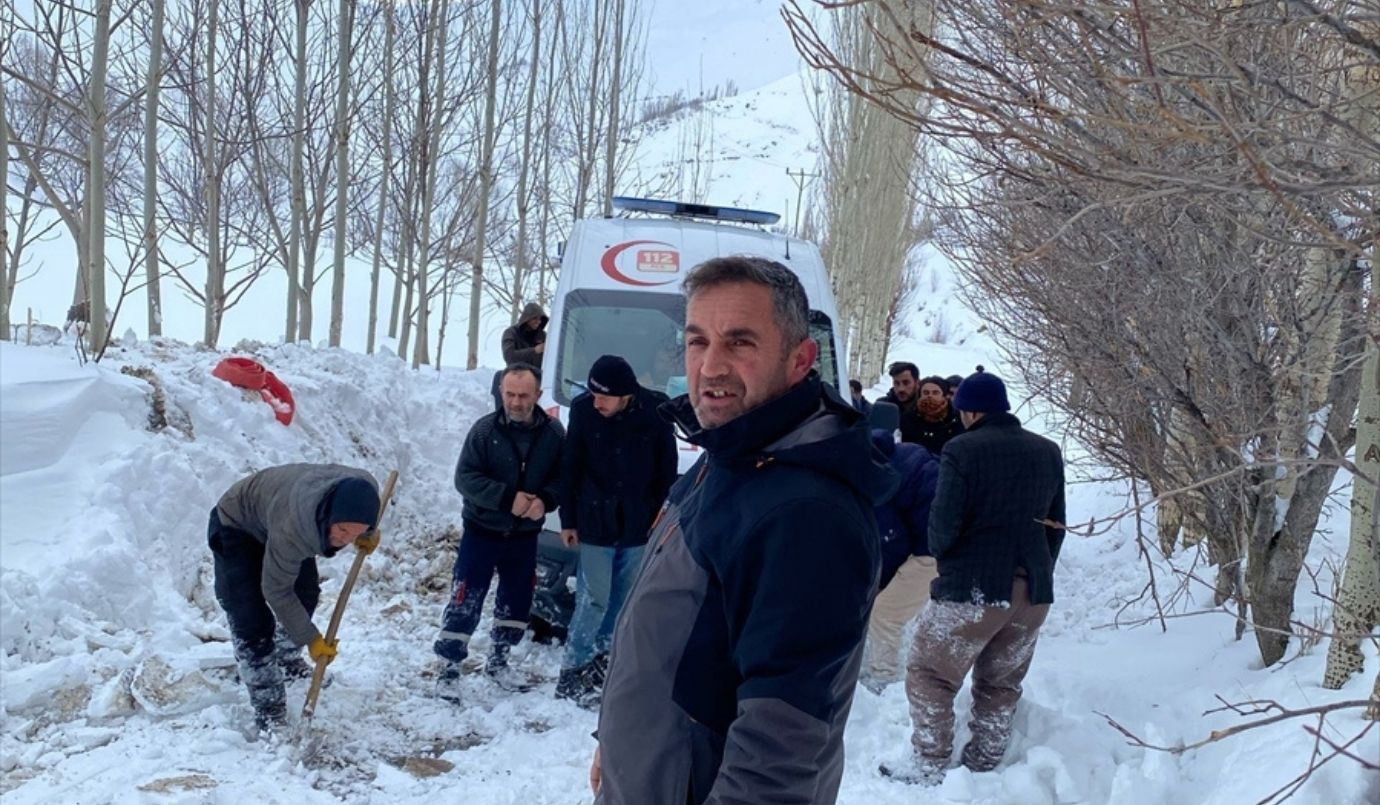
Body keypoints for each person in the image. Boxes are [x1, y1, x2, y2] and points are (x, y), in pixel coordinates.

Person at [590, 256, 897, 803]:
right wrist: (617, 745)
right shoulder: (733, 454)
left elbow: (781, 749)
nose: (710, 366)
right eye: (697, 341)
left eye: (740, 342)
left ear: (802, 359)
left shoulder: (805, 513)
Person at [885, 369, 1065, 785]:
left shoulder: (961, 450)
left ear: (968, 411)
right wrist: (1037, 573)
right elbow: (1056, 525)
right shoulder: (1048, 451)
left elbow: (943, 525)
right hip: (1033, 592)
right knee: (1001, 683)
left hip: (973, 586)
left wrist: (948, 568)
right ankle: (984, 761)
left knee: (931, 674)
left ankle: (929, 761)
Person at [208, 464, 381, 731]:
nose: (345, 541)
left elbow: (363, 514)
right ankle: (269, 708)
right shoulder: (296, 528)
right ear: (329, 515)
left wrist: (366, 535)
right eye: (343, 531)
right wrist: (311, 639)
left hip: (277, 516)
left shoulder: (363, 488)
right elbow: (277, 590)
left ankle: (286, 657)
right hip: (238, 523)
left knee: (306, 594)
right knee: (250, 615)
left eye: (354, 534)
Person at [435, 363, 564, 701]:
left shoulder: (553, 434)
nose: (516, 402)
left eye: (523, 395)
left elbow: (564, 477)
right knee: (466, 596)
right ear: (500, 393)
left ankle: (499, 660)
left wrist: (547, 500)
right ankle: (449, 665)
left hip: (524, 536)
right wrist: (507, 499)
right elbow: (465, 479)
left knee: (517, 599)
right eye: (510, 394)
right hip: (482, 531)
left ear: (537, 395)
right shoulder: (484, 431)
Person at [556, 355, 677, 707]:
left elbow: (665, 470)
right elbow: (570, 467)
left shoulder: (655, 412)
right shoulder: (583, 410)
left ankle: (603, 661)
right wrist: (568, 519)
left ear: (626, 394)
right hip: (594, 521)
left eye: (604, 397)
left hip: (638, 524)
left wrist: (659, 514)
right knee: (594, 598)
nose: (597, 402)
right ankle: (573, 668)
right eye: (593, 394)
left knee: (623, 600)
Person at [858, 402, 940, 695]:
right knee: (879, 601)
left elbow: (892, 538)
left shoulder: (876, 478)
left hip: (936, 550)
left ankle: (883, 681)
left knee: (884, 612)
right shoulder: (879, 456)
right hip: (928, 539)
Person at [490, 303, 549, 410]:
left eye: (540, 319)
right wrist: (534, 351)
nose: (538, 321)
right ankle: (501, 414)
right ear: (527, 318)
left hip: (537, 375)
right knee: (499, 377)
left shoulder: (543, 336)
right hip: (515, 373)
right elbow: (509, 356)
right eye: (535, 318)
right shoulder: (511, 333)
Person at [914, 375, 965, 455]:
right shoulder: (911, 418)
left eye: (958, 395)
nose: (953, 399)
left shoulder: (963, 422)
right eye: (951, 394)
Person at [882, 361, 926, 444]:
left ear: (917, 383)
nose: (901, 389)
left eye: (906, 383)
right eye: (896, 383)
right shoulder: (884, 407)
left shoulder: (928, 409)